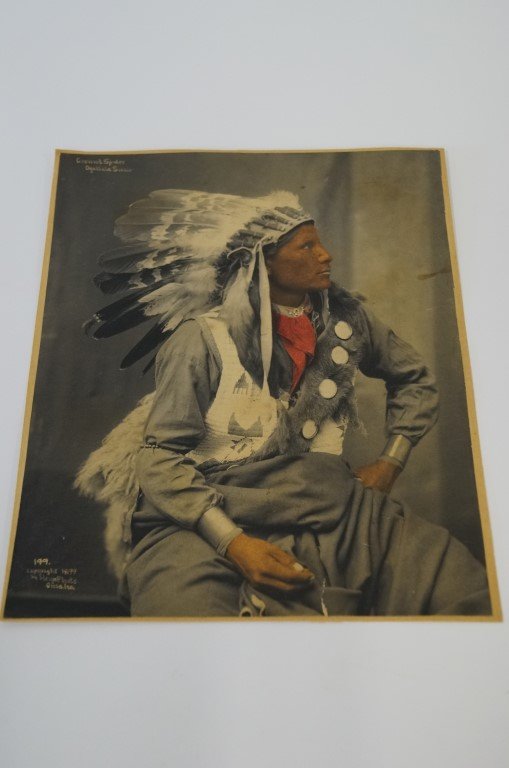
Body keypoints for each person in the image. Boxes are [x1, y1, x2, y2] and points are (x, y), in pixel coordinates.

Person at [76, 189, 490, 617]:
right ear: (260, 262)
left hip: (336, 506)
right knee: (186, 618)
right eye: (306, 246)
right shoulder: (201, 340)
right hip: (210, 513)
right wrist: (232, 542)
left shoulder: (348, 321)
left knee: (463, 591)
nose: (326, 255)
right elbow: (159, 457)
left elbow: (414, 378)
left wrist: (391, 460)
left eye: (320, 242)